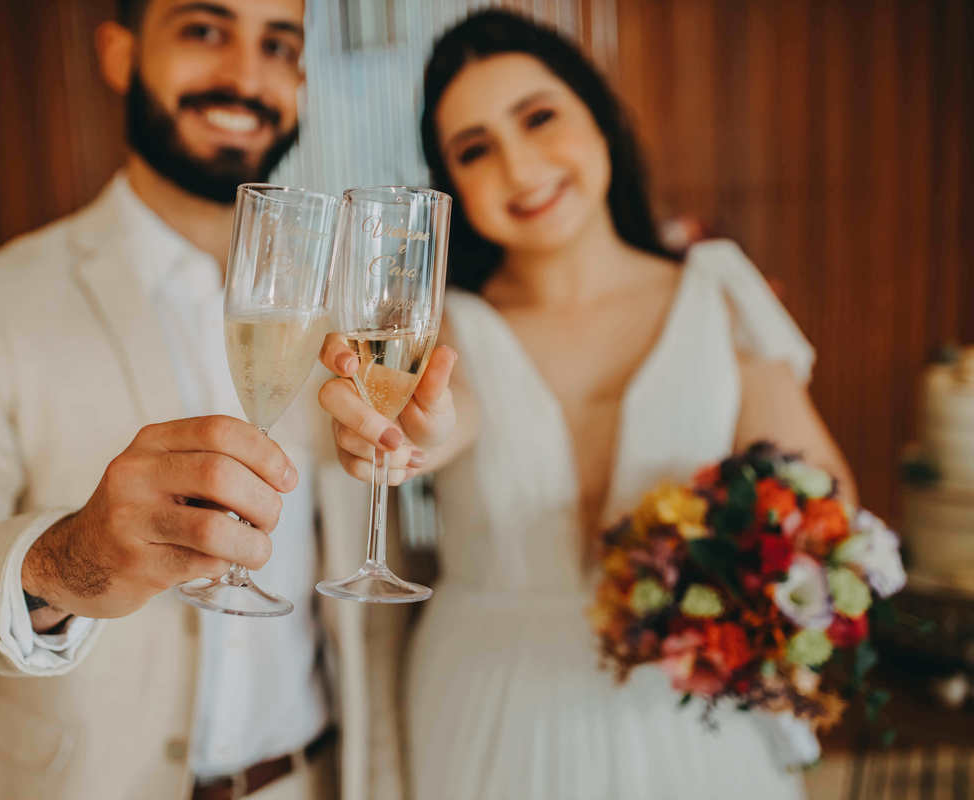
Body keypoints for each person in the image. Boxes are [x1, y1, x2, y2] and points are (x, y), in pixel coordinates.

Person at [0, 1, 438, 797]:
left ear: (299, 78)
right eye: (204, 30)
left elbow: (445, 430)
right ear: (119, 54)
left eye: (277, 45)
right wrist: (67, 561)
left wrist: (431, 439)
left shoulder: (349, 312)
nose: (244, 74)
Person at [318, 9, 855, 799]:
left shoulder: (720, 295)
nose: (520, 165)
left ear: (601, 121)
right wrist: (400, 437)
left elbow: (825, 512)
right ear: (454, 184)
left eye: (539, 118)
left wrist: (728, 579)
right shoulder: (442, 322)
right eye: (475, 149)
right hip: (488, 715)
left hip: (691, 719)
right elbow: (436, 421)